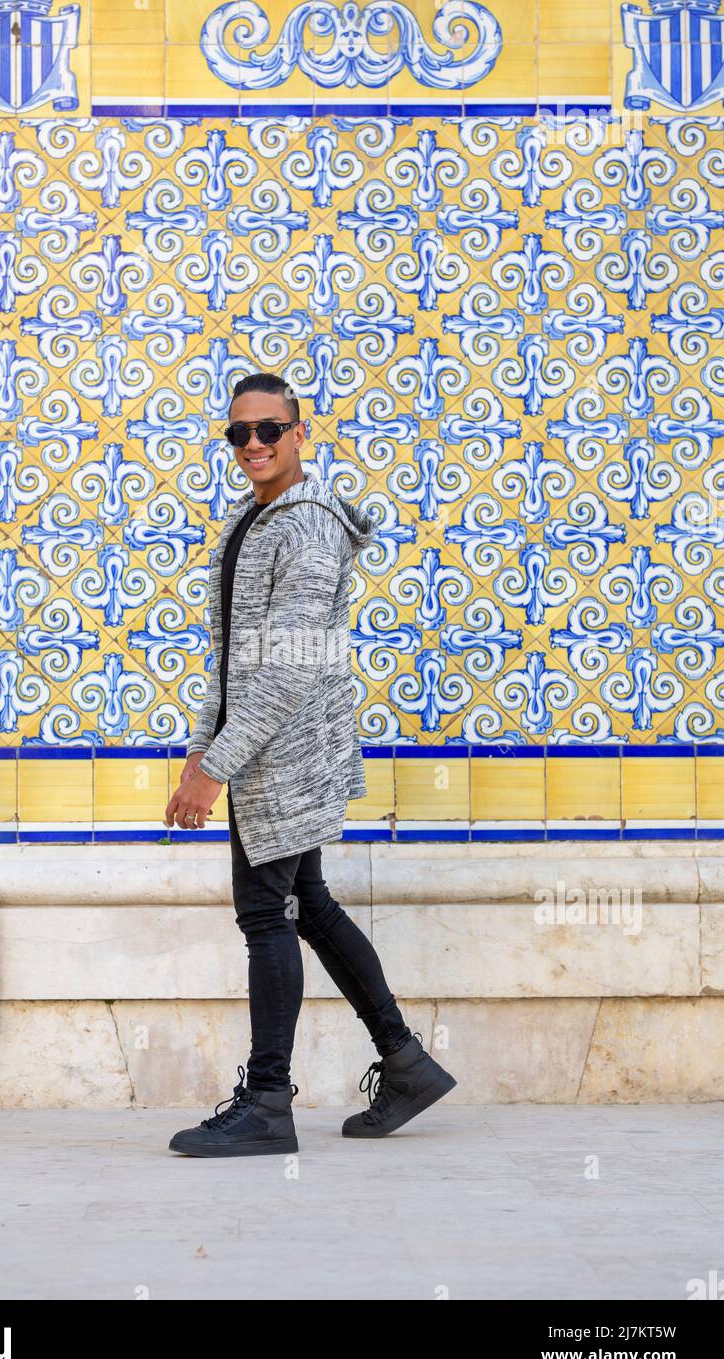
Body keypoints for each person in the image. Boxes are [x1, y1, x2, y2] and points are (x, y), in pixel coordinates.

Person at [164, 373, 456, 1156]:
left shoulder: (308, 529)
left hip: (285, 758)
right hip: (259, 750)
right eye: (239, 433)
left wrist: (215, 766)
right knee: (311, 907)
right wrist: (202, 745)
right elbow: (234, 659)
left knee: (268, 917)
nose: (253, 444)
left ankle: (267, 1104)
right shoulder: (252, 522)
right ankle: (407, 1062)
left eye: (268, 429)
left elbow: (288, 668)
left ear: (301, 434)